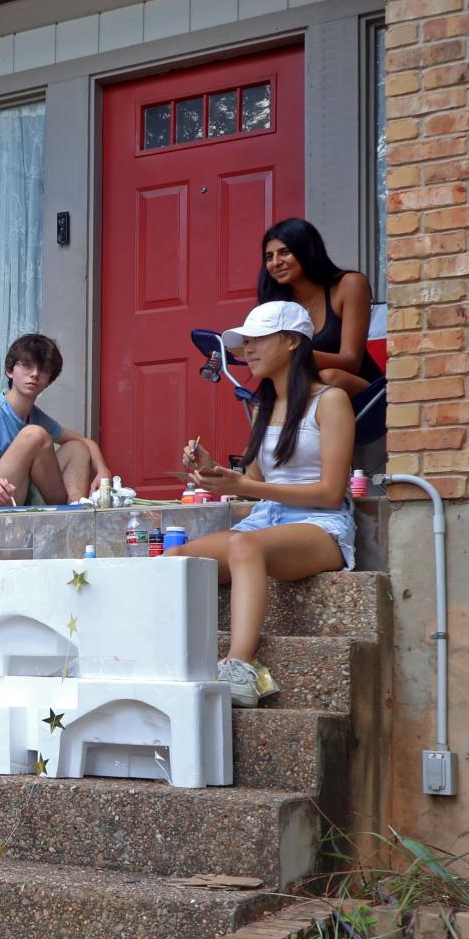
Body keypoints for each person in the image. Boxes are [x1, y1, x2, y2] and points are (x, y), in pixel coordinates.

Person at [172, 301, 356, 708]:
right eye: (245, 342)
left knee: (244, 545)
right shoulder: (264, 405)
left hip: (320, 526)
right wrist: (214, 471)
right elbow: (254, 484)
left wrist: (245, 485)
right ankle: (170, 656)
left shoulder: (331, 401)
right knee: (177, 556)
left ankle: (240, 667)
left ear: (292, 341)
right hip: (268, 519)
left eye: (257, 340)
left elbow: (329, 493)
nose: (248, 350)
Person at [0, 333, 110, 511]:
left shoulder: (34, 415)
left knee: (77, 449)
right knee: (34, 435)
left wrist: (103, 471)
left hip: (15, 495)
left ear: (49, 380)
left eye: (43, 369)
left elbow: (85, 442)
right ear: (10, 371)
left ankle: (73, 518)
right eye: (27, 366)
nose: (35, 374)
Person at [256, 217, 383, 398]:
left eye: (285, 252)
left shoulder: (349, 285)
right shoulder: (275, 305)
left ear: (307, 251)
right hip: (303, 398)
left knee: (329, 377)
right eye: (269, 257)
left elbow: (352, 361)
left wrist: (293, 356)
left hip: (363, 398)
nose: (275, 262)